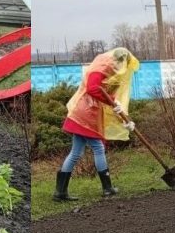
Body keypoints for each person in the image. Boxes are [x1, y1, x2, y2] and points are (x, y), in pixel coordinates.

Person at [53, 47, 140, 201]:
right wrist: (112, 101)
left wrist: (126, 119)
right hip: (86, 114)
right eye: (121, 63)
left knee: (75, 153)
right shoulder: (100, 68)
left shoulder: (111, 72)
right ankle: (107, 188)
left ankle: (60, 192)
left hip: (85, 113)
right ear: (116, 59)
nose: (121, 67)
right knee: (98, 148)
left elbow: (108, 96)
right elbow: (93, 89)